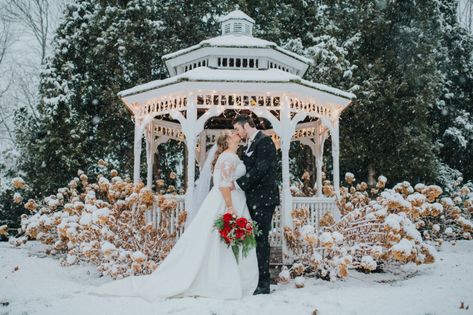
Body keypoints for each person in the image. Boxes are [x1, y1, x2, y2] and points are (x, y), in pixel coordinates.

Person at [90, 131, 258, 301]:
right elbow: (224, 185)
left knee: (218, 242)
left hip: (229, 200)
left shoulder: (231, 155)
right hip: (225, 202)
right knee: (218, 242)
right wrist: (230, 207)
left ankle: (221, 277)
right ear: (228, 139)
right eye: (234, 133)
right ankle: (219, 279)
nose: (238, 134)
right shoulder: (228, 157)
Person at [233, 114, 279, 295]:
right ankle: (253, 278)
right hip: (252, 199)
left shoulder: (265, 142)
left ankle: (263, 283)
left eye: (238, 128)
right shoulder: (249, 145)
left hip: (264, 200)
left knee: (261, 241)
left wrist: (238, 184)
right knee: (253, 240)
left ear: (246, 126)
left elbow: (261, 169)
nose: (237, 132)